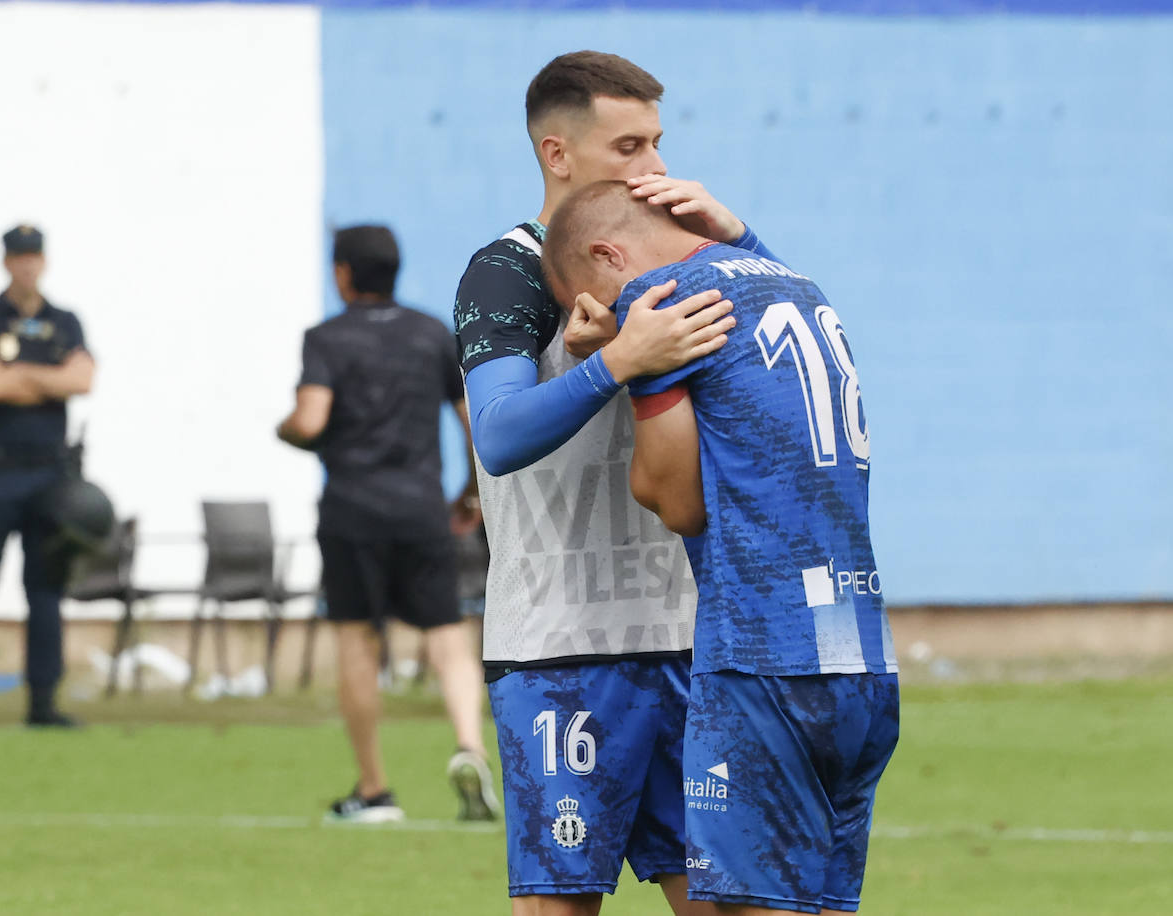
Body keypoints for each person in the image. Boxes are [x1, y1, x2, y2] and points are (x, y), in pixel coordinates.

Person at [454, 51, 781, 916]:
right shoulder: (507, 271)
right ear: (558, 155)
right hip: (559, 650)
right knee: (558, 907)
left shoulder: (677, 257)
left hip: (688, 642)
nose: (656, 169)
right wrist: (615, 366)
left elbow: (796, 339)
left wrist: (744, 244)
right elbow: (499, 435)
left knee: (725, 904)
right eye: (629, 146)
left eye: (659, 143)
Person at [542, 180, 901, 915]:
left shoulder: (661, 298)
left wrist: (629, 358)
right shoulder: (796, 283)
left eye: (591, 299)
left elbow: (677, 501)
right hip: (862, 655)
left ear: (610, 257)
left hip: (762, 658)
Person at [278, 225, 498, 823]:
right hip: (421, 507)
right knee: (447, 632)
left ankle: (374, 791)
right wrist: (471, 495)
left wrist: (286, 430)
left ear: (344, 272)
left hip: (352, 509)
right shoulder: (432, 334)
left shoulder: (325, 338)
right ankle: (470, 747)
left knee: (357, 638)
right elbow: (474, 424)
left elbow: (310, 417)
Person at [0, 225, 95, 728]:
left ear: (43, 262)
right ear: (5, 262)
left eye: (33, 257)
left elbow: (82, 379)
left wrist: (20, 373)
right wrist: (48, 379)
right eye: (18, 258)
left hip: (50, 477)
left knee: (45, 591)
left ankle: (43, 701)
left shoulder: (64, 322)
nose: (26, 266)